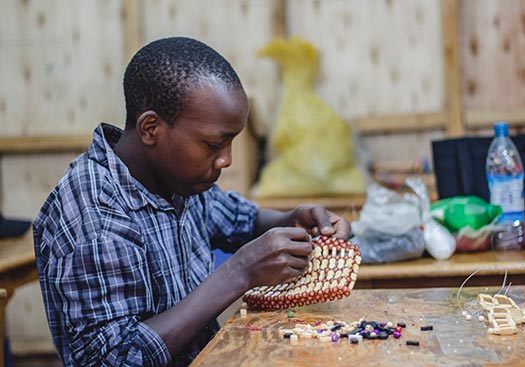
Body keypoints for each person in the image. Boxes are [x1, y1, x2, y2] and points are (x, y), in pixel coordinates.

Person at [33, 37, 351, 366]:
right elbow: (116, 359)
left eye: (231, 143)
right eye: (214, 144)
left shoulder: (175, 179)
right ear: (151, 129)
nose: (225, 160)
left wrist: (293, 218)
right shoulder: (97, 217)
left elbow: (237, 220)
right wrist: (238, 272)